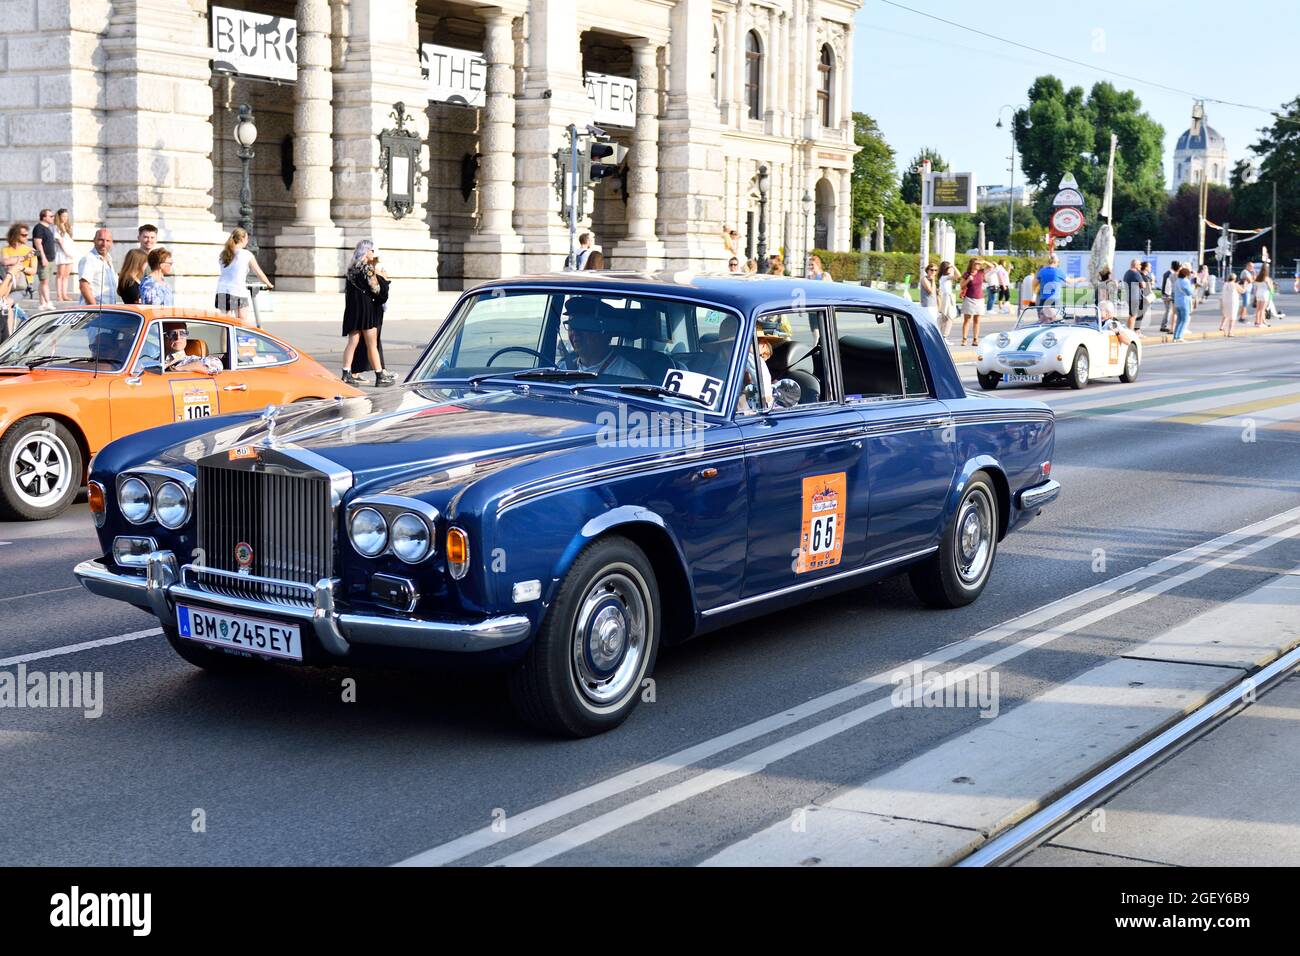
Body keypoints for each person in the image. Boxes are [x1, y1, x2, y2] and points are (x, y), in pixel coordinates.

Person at [340, 239, 394, 387]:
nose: (373, 253)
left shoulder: (351, 268)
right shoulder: (367, 268)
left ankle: (346, 373)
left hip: (353, 309)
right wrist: (382, 278)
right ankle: (379, 375)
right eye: (372, 250)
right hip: (366, 309)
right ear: (366, 251)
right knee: (372, 344)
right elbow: (376, 289)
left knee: (352, 342)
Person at [557, 296, 644, 378]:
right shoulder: (561, 369)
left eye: (583, 325)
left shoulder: (629, 375)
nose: (575, 333)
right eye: (571, 326)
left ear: (605, 332)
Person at [215, 227, 272, 324]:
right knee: (242, 322)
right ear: (241, 239)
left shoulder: (223, 254)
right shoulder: (246, 254)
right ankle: (238, 339)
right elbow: (258, 272)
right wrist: (269, 284)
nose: (247, 241)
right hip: (237, 291)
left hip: (222, 291)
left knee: (225, 324)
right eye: (246, 238)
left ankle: (225, 340)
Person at [77, 228, 118, 305]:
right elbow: (84, 286)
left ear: (112, 242)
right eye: (101, 240)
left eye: (108, 241)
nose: (104, 244)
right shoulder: (89, 259)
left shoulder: (109, 259)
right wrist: (94, 308)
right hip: (94, 312)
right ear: (94, 241)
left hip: (108, 310)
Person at [1, 224, 36, 301]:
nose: (27, 237)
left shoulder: (30, 250)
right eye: (24, 235)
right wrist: (25, 257)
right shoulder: (5, 249)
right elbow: (5, 262)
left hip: (21, 287)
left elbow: (33, 271)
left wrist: (21, 268)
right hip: (6, 284)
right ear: (16, 235)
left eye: (27, 235)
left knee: (7, 303)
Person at [31, 209, 56, 309]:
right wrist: (43, 257)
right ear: (44, 217)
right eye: (51, 216)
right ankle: (48, 302)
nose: (53, 218)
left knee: (44, 281)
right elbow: (38, 243)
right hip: (43, 259)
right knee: (44, 281)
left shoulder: (47, 228)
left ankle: (42, 303)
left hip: (50, 258)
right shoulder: (39, 228)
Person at [959, 258, 984, 346]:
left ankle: (975, 339)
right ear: (972, 264)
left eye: (979, 264)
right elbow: (961, 286)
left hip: (980, 299)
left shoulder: (981, 272)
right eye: (976, 263)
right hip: (969, 299)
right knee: (967, 320)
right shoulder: (967, 274)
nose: (978, 265)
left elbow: (992, 266)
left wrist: (983, 261)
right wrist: (968, 280)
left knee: (977, 320)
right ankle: (964, 339)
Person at [53, 209, 75, 302]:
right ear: (59, 216)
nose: (65, 218)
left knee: (66, 275)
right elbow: (60, 242)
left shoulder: (68, 227)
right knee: (60, 275)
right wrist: (67, 253)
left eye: (66, 216)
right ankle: (59, 295)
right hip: (62, 253)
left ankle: (65, 294)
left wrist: (71, 253)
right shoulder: (56, 227)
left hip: (70, 253)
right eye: (63, 216)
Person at [936, 260, 959, 339]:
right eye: (949, 268)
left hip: (947, 297)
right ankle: (944, 336)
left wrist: (952, 267)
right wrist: (954, 266)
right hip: (946, 298)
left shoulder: (943, 277)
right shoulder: (945, 277)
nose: (951, 269)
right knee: (948, 317)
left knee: (945, 317)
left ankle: (941, 335)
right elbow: (959, 276)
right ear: (946, 269)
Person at [1122, 258, 1145, 332]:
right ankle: (1131, 333)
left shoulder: (1127, 273)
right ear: (1135, 265)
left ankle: (1128, 331)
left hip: (1129, 296)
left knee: (1131, 315)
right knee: (1133, 316)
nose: (1141, 266)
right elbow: (1143, 285)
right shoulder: (1136, 273)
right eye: (1139, 265)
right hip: (1135, 297)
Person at [1172, 266, 1194, 341]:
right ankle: (1179, 336)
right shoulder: (1186, 281)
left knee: (1179, 320)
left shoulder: (1177, 281)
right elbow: (1189, 292)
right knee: (1184, 320)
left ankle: (1175, 336)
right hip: (1184, 302)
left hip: (1177, 302)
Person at [1158, 260, 1180, 333]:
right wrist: (1168, 295)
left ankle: (1164, 325)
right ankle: (1164, 326)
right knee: (1168, 311)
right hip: (1168, 295)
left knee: (1168, 310)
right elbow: (1168, 285)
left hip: (1166, 294)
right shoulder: (1170, 274)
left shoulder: (1167, 273)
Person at [1219, 272, 1239, 337]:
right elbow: (1242, 290)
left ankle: (1221, 326)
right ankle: (1230, 332)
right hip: (1233, 302)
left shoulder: (1225, 284)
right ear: (1234, 279)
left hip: (1225, 301)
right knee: (1232, 316)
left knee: (1225, 314)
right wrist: (1245, 285)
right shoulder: (1235, 284)